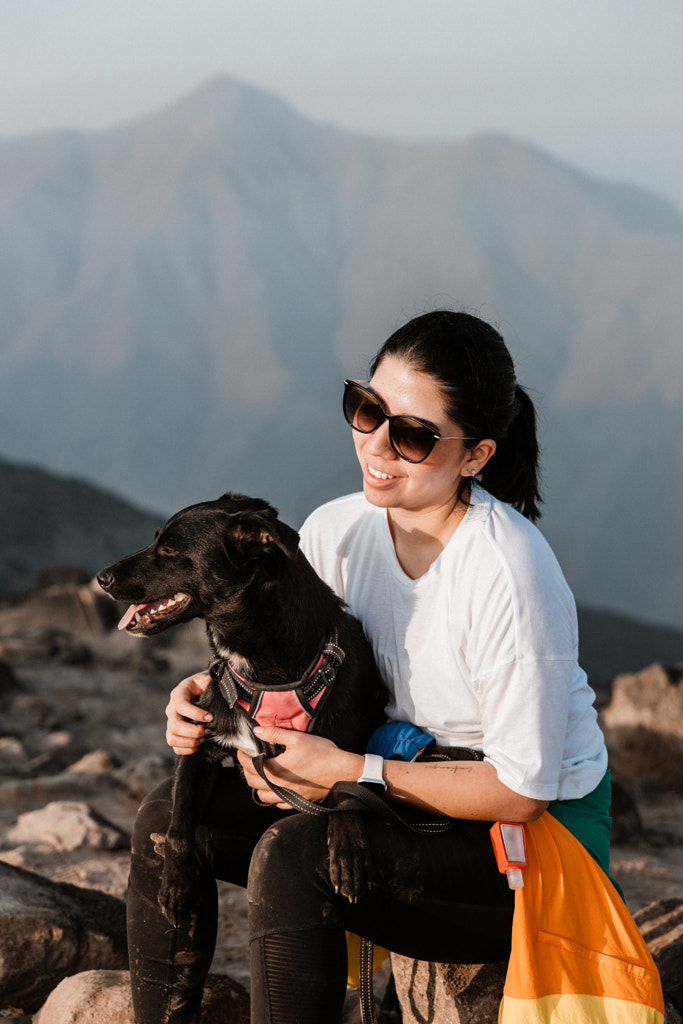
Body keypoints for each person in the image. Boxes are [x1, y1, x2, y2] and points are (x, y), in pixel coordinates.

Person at [127, 310, 613, 1024]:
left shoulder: (508, 573)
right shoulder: (336, 531)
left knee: (298, 857)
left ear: (475, 456)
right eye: (367, 408)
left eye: (413, 435)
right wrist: (210, 698)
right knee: (171, 819)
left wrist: (349, 772)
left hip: (524, 847)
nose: (376, 445)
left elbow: (522, 790)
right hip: (386, 804)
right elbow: (281, 661)